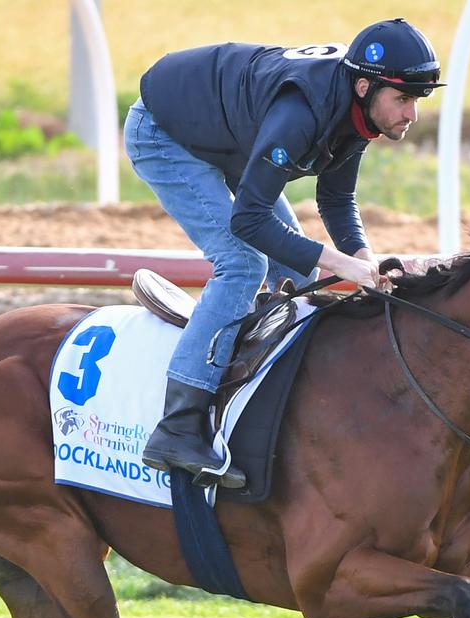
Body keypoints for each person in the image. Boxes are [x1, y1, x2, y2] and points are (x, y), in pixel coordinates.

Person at [126, 18, 444, 489]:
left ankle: (267, 392)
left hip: (231, 130)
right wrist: (341, 265)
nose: (411, 115)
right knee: (242, 263)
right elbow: (248, 220)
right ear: (364, 85)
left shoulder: (357, 110)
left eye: (416, 101)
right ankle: (177, 427)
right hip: (166, 130)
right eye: (402, 99)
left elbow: (336, 201)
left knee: (294, 265)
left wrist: (368, 262)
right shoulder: (303, 114)